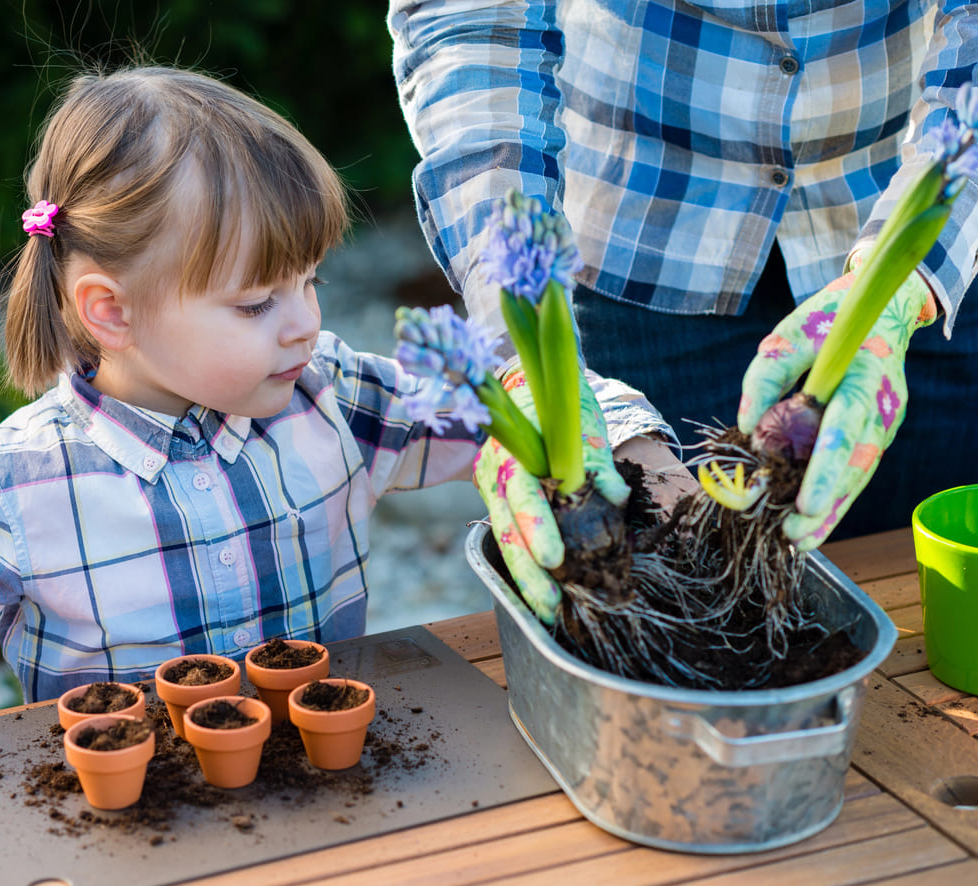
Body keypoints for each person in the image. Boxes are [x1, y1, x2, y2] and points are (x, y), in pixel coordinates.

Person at [0, 66, 673, 730]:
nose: (303, 324)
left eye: (311, 282)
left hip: (337, 791)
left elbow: (524, 410)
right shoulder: (13, 490)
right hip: (129, 834)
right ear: (112, 310)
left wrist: (626, 441)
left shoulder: (334, 397)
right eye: (256, 303)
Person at [389, 0, 978, 548]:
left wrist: (905, 287)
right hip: (644, 228)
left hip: (918, 214)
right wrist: (518, 352)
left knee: (915, 564)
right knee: (672, 559)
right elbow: (471, 25)